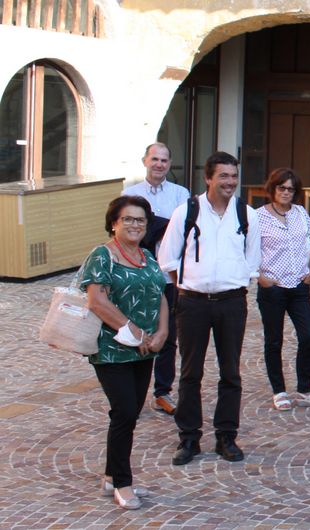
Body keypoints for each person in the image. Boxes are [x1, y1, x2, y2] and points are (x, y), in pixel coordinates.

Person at [158, 151, 262, 466]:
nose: (230, 182)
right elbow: (168, 259)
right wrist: (189, 286)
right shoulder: (186, 211)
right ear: (208, 178)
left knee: (231, 372)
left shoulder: (247, 214)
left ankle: (226, 436)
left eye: (234, 176)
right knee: (191, 372)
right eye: (223, 176)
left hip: (232, 301)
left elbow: (252, 260)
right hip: (193, 302)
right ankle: (189, 437)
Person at [82, 196, 169, 509]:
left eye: (140, 220)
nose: (135, 224)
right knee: (124, 412)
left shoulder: (147, 255)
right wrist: (135, 331)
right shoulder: (102, 256)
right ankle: (122, 482)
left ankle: (110, 476)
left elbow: (160, 294)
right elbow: (97, 301)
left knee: (129, 413)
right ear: (114, 223)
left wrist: (162, 331)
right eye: (128, 219)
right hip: (112, 350)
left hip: (144, 350)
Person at [121, 142, 189, 416]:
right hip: (136, 274)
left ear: (169, 164)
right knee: (131, 331)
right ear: (145, 161)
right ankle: (131, 393)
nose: (159, 164)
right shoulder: (130, 194)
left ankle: (162, 391)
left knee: (168, 335)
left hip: (168, 275)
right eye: (155, 159)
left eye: (164, 160)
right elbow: (124, 231)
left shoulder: (180, 194)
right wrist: (161, 225)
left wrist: (155, 225)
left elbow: (183, 231)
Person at [256, 168, 310, 411]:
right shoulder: (258, 217)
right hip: (273, 287)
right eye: (282, 188)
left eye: (290, 189)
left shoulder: (300, 213)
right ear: (273, 188)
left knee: (309, 336)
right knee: (274, 340)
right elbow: (248, 250)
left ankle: (304, 388)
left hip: (298, 285)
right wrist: (261, 278)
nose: (286, 192)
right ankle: (279, 390)